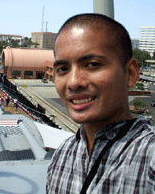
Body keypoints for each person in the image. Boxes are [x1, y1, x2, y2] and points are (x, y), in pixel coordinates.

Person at [46, 13, 155, 193]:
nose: (73, 82)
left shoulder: (149, 158)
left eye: (92, 64)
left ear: (130, 73)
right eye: (63, 69)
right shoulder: (62, 155)